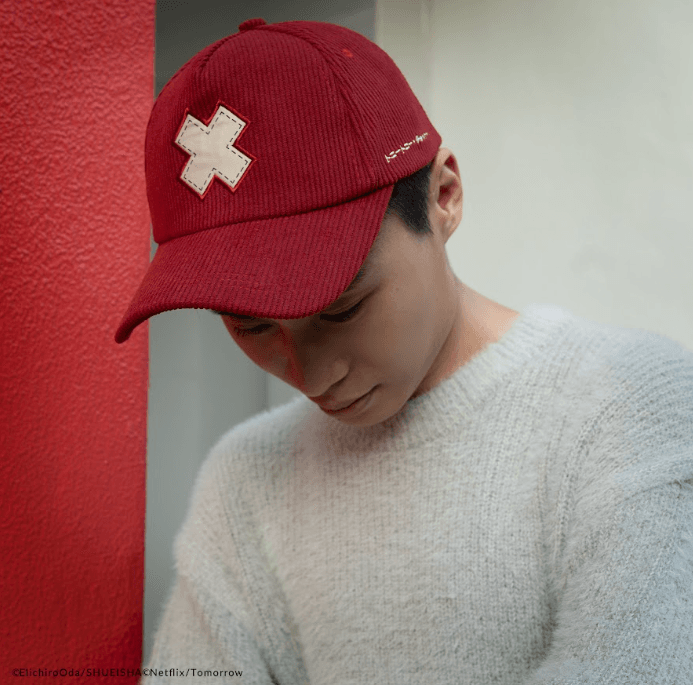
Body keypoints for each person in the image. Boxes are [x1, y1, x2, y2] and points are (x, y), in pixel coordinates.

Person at [116, 18, 693, 685]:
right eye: (252, 327)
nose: (310, 372)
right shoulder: (246, 477)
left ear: (443, 196)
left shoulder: (626, 407)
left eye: (343, 308)